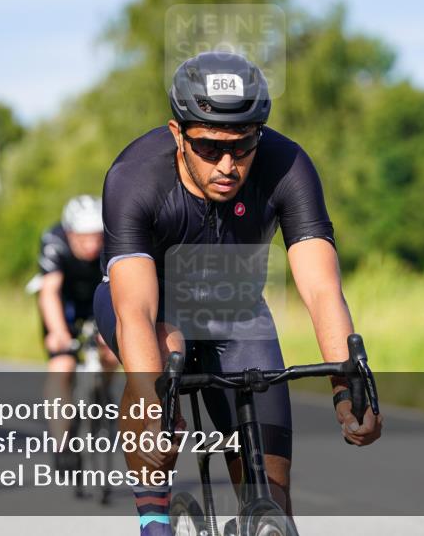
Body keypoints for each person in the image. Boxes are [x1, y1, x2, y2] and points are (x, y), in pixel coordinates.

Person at [94, 52, 383, 535]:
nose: (228, 165)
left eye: (243, 146)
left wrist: (346, 385)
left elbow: (321, 289)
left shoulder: (288, 166)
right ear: (177, 133)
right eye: (209, 148)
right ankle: (154, 520)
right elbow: (135, 312)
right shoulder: (134, 177)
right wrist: (152, 406)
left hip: (236, 310)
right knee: (164, 355)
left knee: (273, 501)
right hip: (152, 307)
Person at [33, 195, 119, 467]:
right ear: (70, 234)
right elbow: (49, 292)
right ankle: (62, 444)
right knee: (62, 366)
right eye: (83, 239)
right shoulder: (54, 241)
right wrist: (58, 332)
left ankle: (102, 392)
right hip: (65, 303)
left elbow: (123, 289)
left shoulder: (114, 240)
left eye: (96, 237)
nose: (92, 245)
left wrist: (112, 330)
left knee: (112, 353)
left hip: (99, 299)